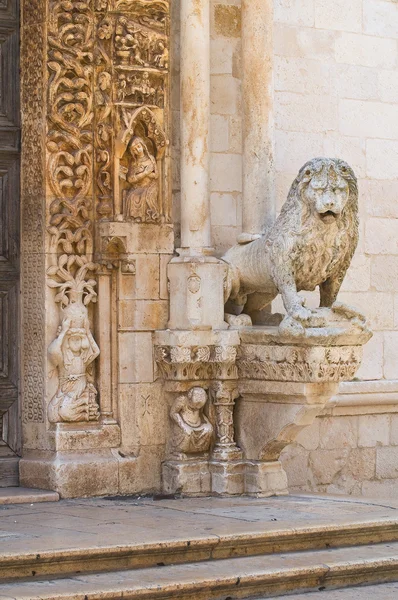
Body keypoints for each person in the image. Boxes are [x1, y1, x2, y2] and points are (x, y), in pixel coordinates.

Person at [122, 136, 160, 222]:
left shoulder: (151, 158)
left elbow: (156, 175)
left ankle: (147, 217)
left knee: (144, 197)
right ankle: (135, 218)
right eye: (134, 150)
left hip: (150, 186)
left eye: (138, 147)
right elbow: (130, 179)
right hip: (138, 186)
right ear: (133, 152)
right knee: (132, 196)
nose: (138, 150)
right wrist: (143, 173)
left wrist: (148, 173)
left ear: (143, 145)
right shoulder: (134, 162)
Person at [170, 387, 213, 458]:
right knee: (188, 432)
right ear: (190, 397)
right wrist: (183, 425)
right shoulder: (182, 400)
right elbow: (173, 413)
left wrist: (207, 423)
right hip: (183, 424)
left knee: (208, 429)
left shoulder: (200, 404)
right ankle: (177, 451)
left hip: (197, 423)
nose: (196, 408)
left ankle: (200, 451)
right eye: (195, 406)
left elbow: (201, 414)